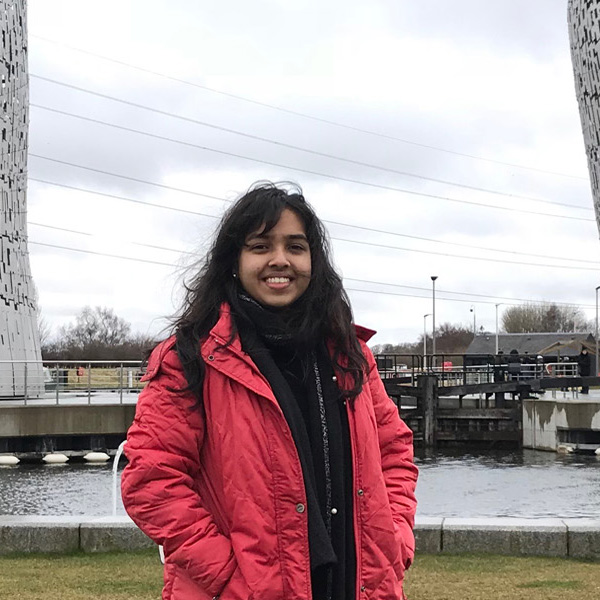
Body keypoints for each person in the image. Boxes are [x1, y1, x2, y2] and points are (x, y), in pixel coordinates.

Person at [121, 183, 418, 600]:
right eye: (260, 246)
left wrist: (397, 537)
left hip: (355, 584)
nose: (280, 260)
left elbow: (395, 453)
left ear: (313, 260)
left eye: (295, 247)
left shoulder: (350, 355)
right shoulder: (191, 357)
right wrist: (226, 575)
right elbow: (151, 477)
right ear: (234, 261)